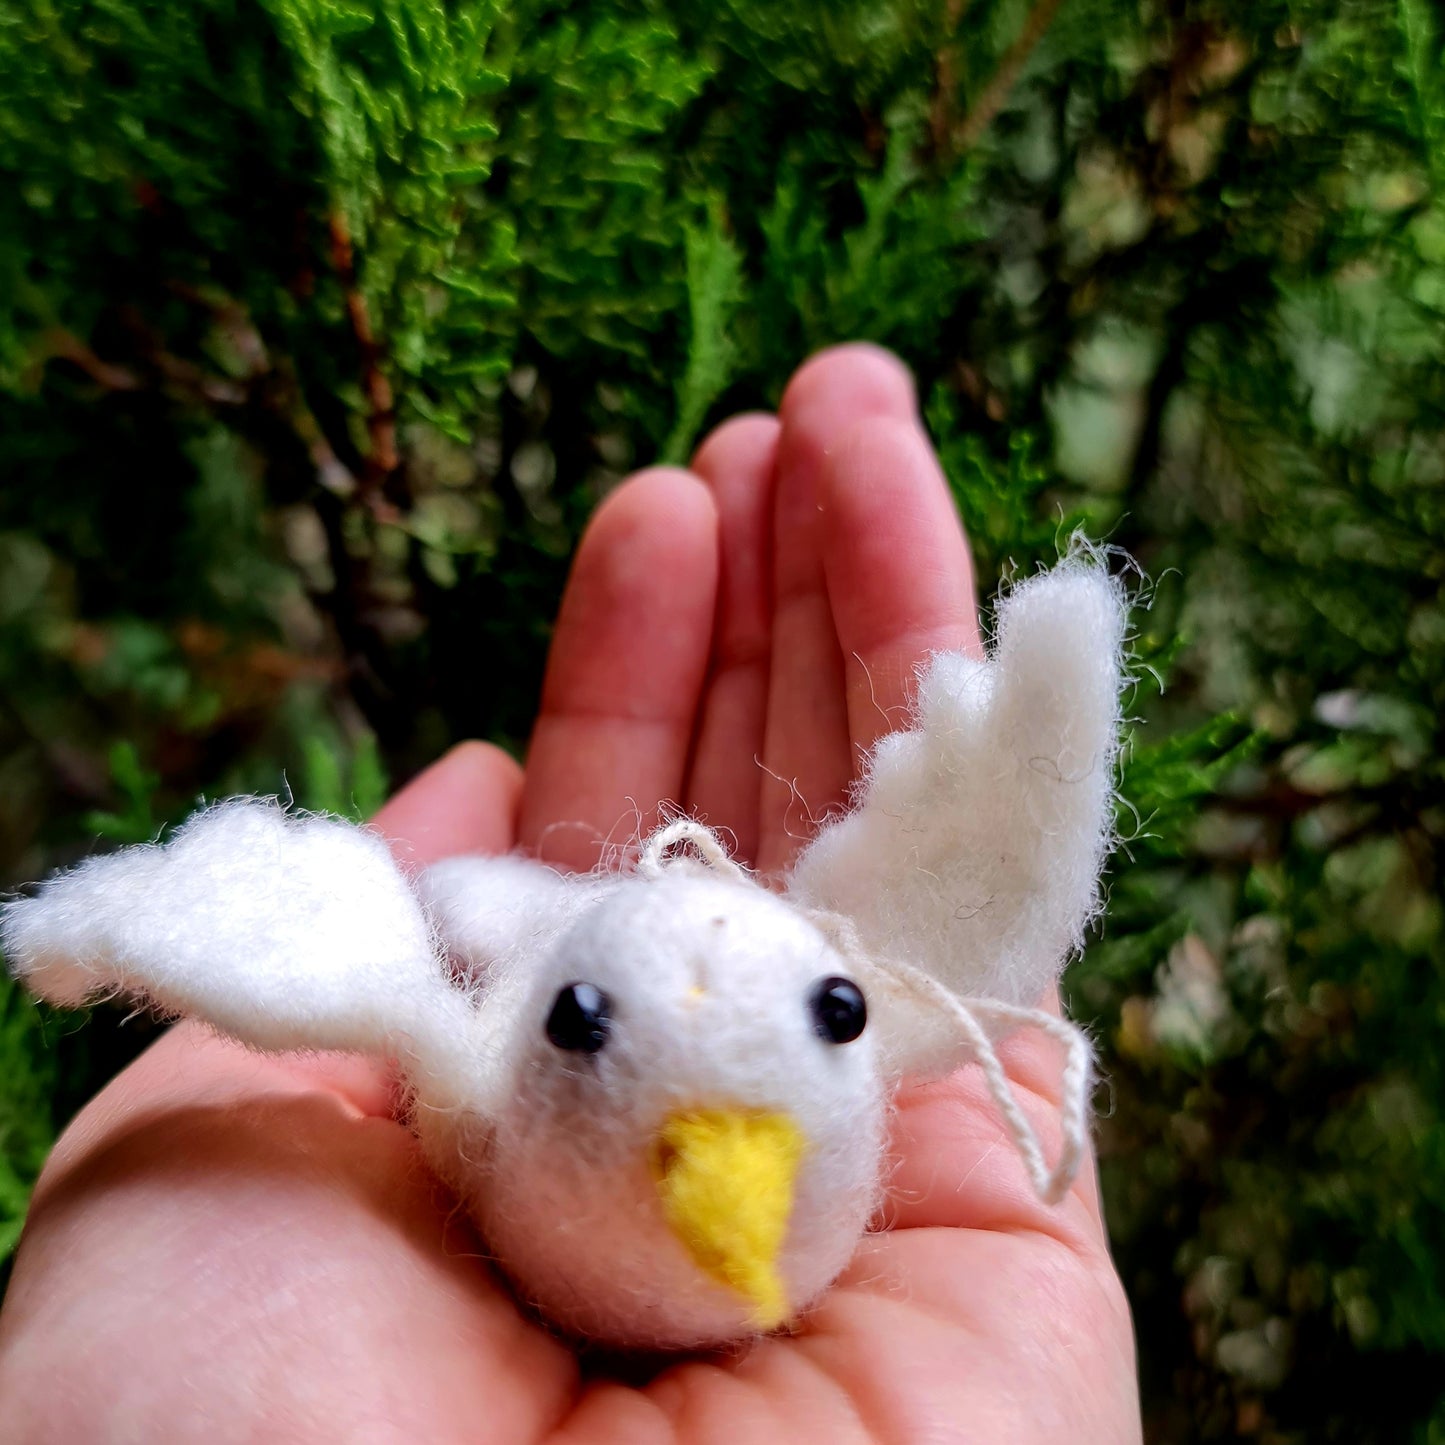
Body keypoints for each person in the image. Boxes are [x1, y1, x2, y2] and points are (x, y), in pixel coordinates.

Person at [0, 345, 1142, 1442]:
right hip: (532, 928)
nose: (726, 1201)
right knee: (477, 899)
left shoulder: (866, 1023)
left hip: (558, 921)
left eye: (837, 1012)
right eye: (581, 1026)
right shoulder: (465, 1061)